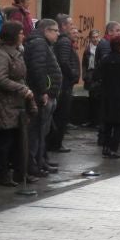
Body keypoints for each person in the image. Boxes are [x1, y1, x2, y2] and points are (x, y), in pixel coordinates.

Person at [0, 22, 35, 187]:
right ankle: (3, 175)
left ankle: (20, 172)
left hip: (17, 103)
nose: (23, 36)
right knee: (5, 141)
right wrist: (21, 88)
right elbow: (0, 78)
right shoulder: (1, 54)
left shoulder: (17, 53)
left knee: (18, 140)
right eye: (21, 33)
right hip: (5, 103)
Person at [24, 19, 62, 178]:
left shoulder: (42, 43)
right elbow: (37, 69)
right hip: (43, 96)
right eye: (55, 30)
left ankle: (40, 161)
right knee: (36, 132)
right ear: (46, 30)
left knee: (41, 132)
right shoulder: (39, 44)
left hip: (48, 95)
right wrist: (43, 91)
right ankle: (33, 164)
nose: (58, 34)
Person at [47, 14, 80, 153]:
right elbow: (64, 61)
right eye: (71, 25)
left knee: (60, 115)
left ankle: (55, 143)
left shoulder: (62, 41)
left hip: (65, 83)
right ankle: (56, 144)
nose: (73, 27)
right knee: (61, 116)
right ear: (64, 26)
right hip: (65, 85)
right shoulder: (65, 42)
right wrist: (73, 75)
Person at [82, 29, 101, 127]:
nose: (95, 39)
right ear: (90, 38)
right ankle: (92, 120)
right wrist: (84, 75)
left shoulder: (101, 47)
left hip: (99, 75)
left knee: (98, 98)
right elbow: (84, 63)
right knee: (91, 98)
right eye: (93, 37)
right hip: (90, 73)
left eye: (97, 37)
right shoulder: (87, 49)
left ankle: (98, 120)